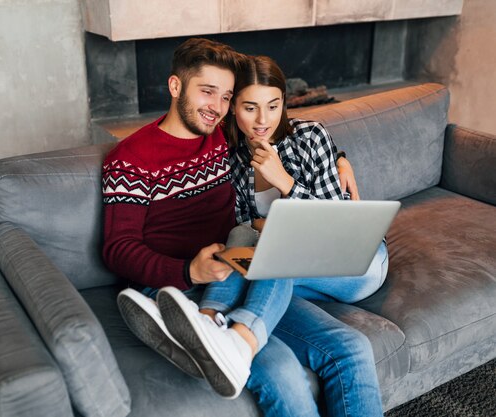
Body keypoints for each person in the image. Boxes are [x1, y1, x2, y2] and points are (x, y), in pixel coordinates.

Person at [102, 38, 362, 415]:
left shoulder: (225, 135)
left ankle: (226, 336)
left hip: (240, 268)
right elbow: (117, 248)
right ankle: (201, 328)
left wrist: (340, 157)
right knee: (284, 374)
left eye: (226, 97)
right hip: (181, 286)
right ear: (176, 87)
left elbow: (279, 121)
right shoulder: (130, 159)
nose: (217, 108)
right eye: (207, 92)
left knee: (350, 347)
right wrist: (188, 270)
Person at [160, 54, 387, 416]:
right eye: (250, 108)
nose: (263, 120)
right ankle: (210, 326)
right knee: (251, 242)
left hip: (358, 260)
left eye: (274, 106)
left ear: (284, 103)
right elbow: (245, 228)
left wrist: (284, 182)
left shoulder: (310, 137)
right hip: (291, 274)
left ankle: (229, 333)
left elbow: (335, 228)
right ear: (233, 107)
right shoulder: (230, 156)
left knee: (276, 243)